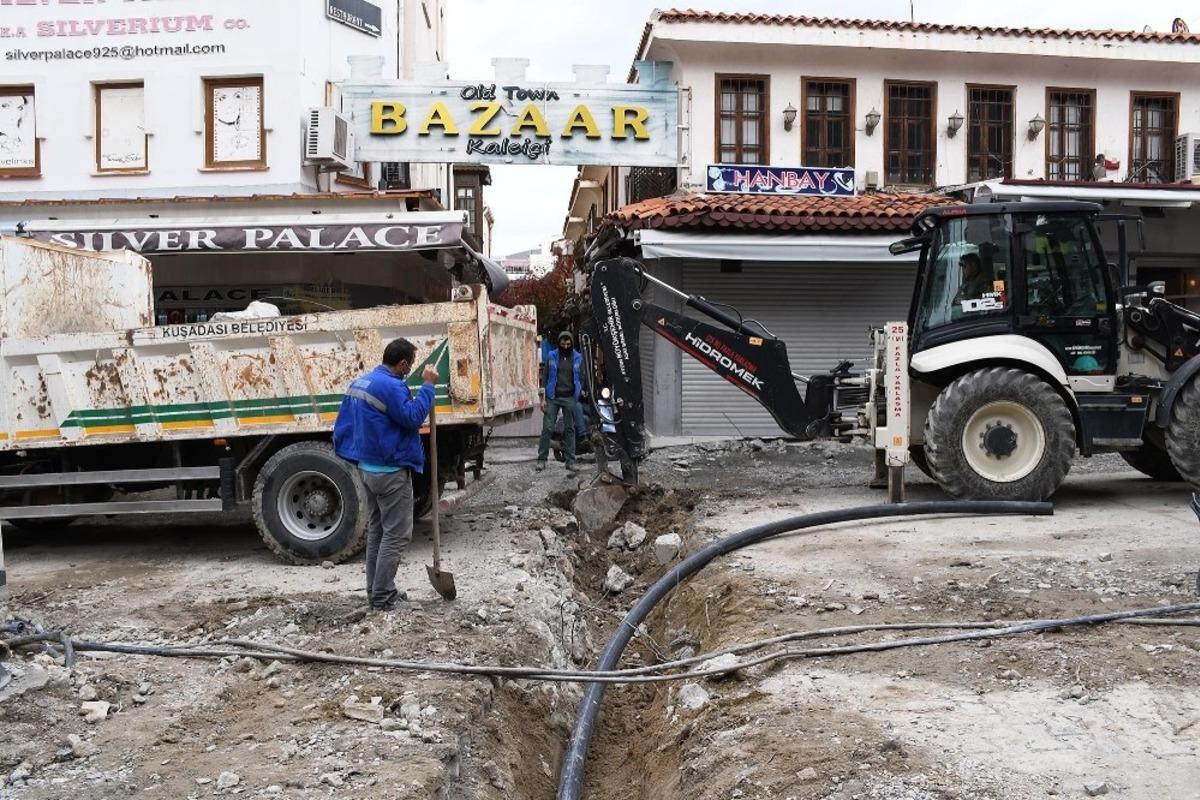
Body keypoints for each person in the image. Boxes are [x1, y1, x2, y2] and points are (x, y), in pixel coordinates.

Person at [333, 338, 438, 611]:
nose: (410, 370)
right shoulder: (390, 386)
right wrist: (428, 386)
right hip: (389, 472)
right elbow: (413, 417)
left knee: (378, 533)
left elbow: (345, 426)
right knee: (396, 535)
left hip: (367, 469)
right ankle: (383, 598)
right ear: (402, 363)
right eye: (410, 365)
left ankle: (376, 591)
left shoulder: (361, 382)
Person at [537, 330, 582, 472]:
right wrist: (542, 398)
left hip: (569, 397)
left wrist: (580, 391)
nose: (566, 346)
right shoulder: (552, 355)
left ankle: (570, 461)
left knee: (570, 429)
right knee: (548, 427)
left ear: (571, 343)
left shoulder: (578, 357)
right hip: (553, 397)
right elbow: (545, 377)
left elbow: (582, 376)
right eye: (563, 343)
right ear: (559, 343)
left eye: (568, 343)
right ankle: (541, 460)